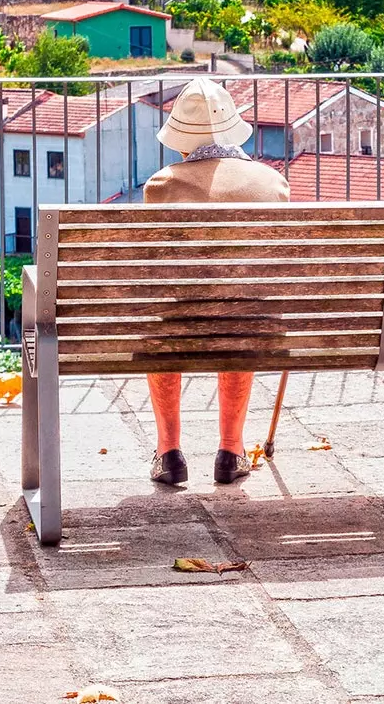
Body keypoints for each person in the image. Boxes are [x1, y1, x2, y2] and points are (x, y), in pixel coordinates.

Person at [141, 78, 291, 486]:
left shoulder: (161, 186)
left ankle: (168, 452)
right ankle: (231, 450)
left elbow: (156, 269)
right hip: (248, 326)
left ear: (180, 137)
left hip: (181, 327)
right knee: (244, 310)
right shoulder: (271, 182)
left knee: (163, 326)